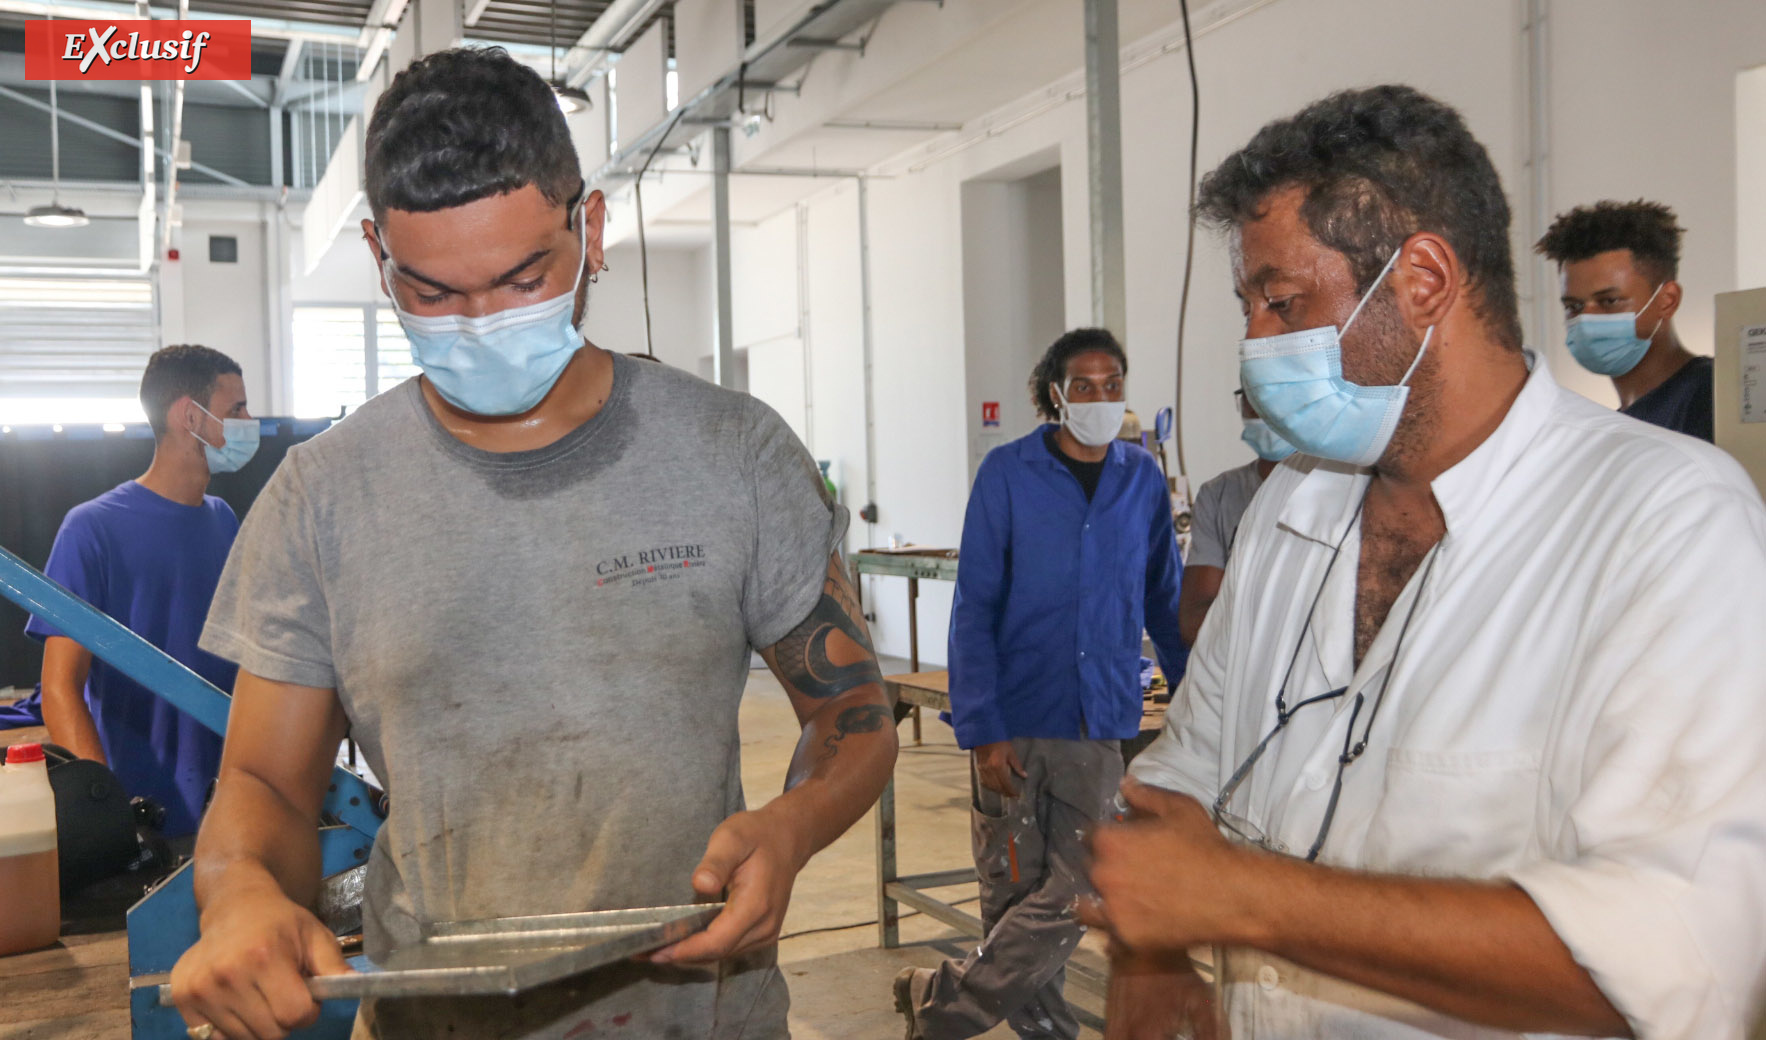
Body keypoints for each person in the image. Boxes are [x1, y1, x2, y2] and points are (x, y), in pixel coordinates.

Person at [168, 48, 896, 1040]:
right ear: (381, 257)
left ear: (587, 228)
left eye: (522, 278)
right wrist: (238, 887)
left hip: (700, 1014)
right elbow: (263, 783)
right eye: (432, 292)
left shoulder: (734, 452)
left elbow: (850, 713)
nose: (481, 325)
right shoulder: (323, 496)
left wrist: (791, 827)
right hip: (435, 1014)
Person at [1082, 85, 1766, 1040]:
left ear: (1425, 281)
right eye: (1251, 307)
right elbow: (1186, 773)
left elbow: (1678, 959)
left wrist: (1243, 901)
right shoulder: (1293, 505)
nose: (1256, 346)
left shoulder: (1665, 522)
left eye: (1283, 303)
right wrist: (1151, 951)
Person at [895, 328, 1187, 1040]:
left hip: (1100, 722)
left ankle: (938, 1002)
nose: (1097, 398)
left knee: (1087, 885)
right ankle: (1047, 1033)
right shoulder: (1008, 473)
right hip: (1018, 719)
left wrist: (1195, 694)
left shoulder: (1141, 477)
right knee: (1014, 891)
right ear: (1053, 394)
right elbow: (975, 606)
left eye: (1110, 384)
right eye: (1081, 386)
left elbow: (1163, 599)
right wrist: (984, 733)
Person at [23, 344, 256, 839]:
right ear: (190, 416)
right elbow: (60, 688)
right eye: (236, 409)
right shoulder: (91, 529)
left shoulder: (222, 520)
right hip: (147, 813)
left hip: (230, 806)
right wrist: (111, 814)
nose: (249, 421)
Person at [1536, 200, 1711, 440]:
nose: (1586, 319)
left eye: (1609, 301)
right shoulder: (1616, 426)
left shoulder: (1715, 399)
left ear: (1667, 300)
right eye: (1573, 306)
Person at [1177, 389, 1295, 647]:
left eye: (1274, 393)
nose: (1262, 408)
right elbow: (1194, 622)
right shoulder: (1219, 494)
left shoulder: (1343, 488)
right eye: (1252, 395)